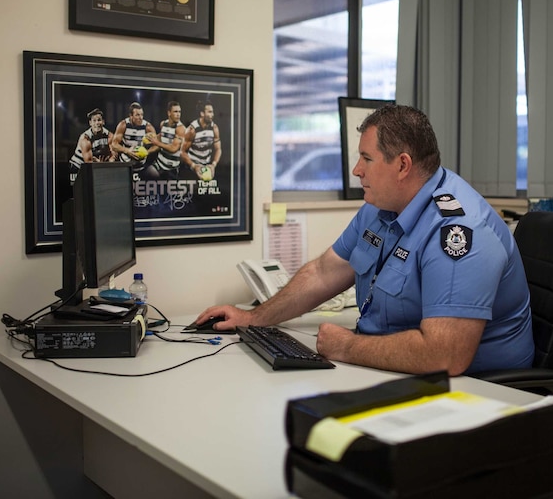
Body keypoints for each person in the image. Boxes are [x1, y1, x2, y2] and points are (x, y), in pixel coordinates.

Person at [192, 104, 534, 376]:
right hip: (398, 369)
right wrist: (254, 317)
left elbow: (446, 355)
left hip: (478, 393)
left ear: (402, 166)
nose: (356, 170)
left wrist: (347, 347)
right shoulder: (381, 207)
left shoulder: (458, 233)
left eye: (366, 159)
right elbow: (324, 273)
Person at [69, 108, 114, 185]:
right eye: (94, 120)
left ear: (103, 122)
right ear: (90, 123)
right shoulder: (85, 138)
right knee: (78, 190)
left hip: (97, 164)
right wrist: (100, 165)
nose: (97, 123)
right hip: (78, 166)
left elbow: (113, 155)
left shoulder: (109, 136)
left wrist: (108, 163)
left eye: (99, 120)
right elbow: (88, 162)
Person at [111, 101, 157, 174]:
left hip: (141, 166)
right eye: (137, 115)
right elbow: (114, 144)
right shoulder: (123, 125)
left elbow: (157, 145)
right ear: (131, 116)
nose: (140, 118)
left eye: (142, 115)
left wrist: (146, 152)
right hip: (125, 165)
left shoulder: (148, 127)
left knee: (154, 175)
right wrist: (127, 151)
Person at [181, 100, 221, 179]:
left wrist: (213, 164)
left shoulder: (214, 128)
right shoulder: (192, 130)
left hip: (207, 167)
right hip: (191, 168)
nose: (212, 115)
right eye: (209, 112)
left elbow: (218, 149)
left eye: (212, 112)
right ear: (202, 113)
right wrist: (194, 166)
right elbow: (182, 152)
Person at [148, 101, 186, 178]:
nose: (178, 114)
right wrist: (147, 151)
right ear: (169, 113)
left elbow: (173, 149)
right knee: (147, 176)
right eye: (175, 111)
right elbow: (159, 140)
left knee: (166, 188)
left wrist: (157, 143)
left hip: (171, 168)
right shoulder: (163, 124)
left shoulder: (180, 129)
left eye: (179, 112)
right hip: (159, 164)